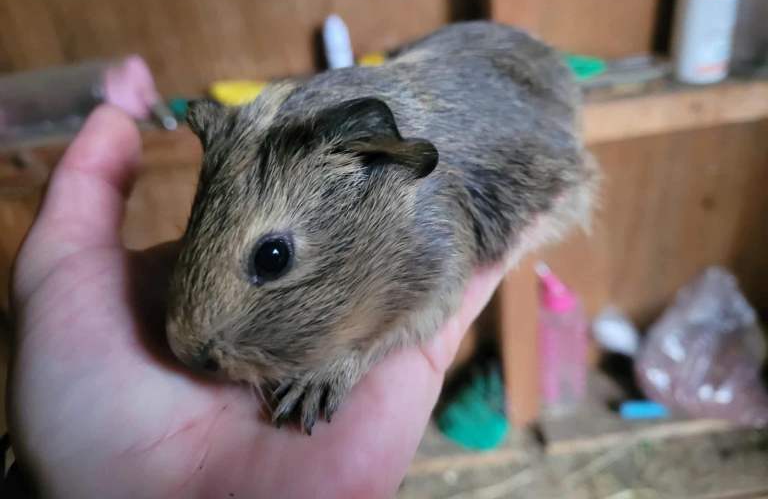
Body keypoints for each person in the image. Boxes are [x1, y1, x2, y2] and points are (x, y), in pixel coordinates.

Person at [5, 104, 505, 498]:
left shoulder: (419, 225)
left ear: (370, 164)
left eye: (272, 257)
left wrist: (352, 358)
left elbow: (435, 287)